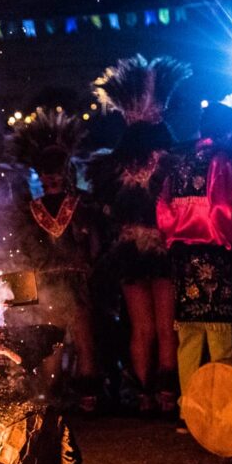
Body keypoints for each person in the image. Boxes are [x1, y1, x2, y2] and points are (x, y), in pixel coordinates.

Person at [87, 55, 191, 414]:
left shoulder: (112, 165)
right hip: (162, 248)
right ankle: (165, 395)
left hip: (128, 250)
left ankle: (145, 394)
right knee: (166, 326)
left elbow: (106, 211)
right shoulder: (172, 159)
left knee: (142, 327)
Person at [157, 101, 232, 419]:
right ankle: (224, 410)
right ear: (228, 128)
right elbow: (226, 208)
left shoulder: (178, 161)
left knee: (189, 337)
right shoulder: (221, 160)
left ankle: (190, 411)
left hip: (182, 257)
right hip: (215, 254)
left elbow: (163, 210)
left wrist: (175, 237)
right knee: (221, 337)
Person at [7, 109, 100, 411]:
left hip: (52, 281)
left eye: (54, 171)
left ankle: (52, 396)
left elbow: (25, 250)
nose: (52, 176)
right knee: (74, 340)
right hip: (69, 281)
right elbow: (92, 243)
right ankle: (82, 397)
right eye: (51, 171)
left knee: (57, 341)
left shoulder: (34, 210)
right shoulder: (75, 205)